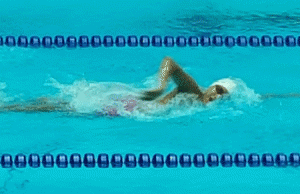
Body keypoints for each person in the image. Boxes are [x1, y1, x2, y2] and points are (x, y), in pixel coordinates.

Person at [1, 57, 299, 114]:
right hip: (129, 107)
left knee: (53, 104)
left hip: (130, 109)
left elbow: (262, 96)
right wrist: (159, 88)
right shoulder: (193, 91)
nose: (217, 97)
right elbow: (169, 61)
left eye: (223, 96)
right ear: (210, 87)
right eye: (218, 90)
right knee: (49, 108)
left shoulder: (199, 105)